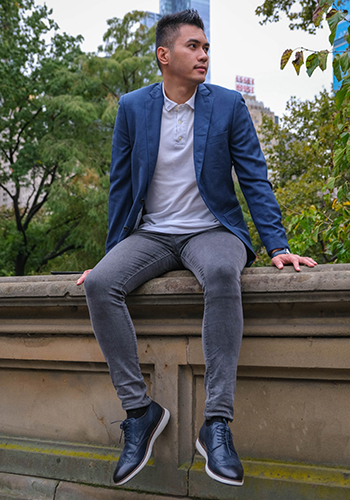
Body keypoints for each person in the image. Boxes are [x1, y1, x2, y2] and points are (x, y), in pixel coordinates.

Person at [77, 9, 317, 487]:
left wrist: (277, 246)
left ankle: (218, 423)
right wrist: (109, 254)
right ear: (165, 55)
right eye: (194, 46)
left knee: (224, 276)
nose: (204, 54)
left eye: (206, 47)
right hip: (152, 233)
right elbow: (121, 189)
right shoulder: (133, 108)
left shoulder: (227, 106)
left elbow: (254, 179)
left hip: (212, 229)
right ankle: (139, 412)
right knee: (102, 285)